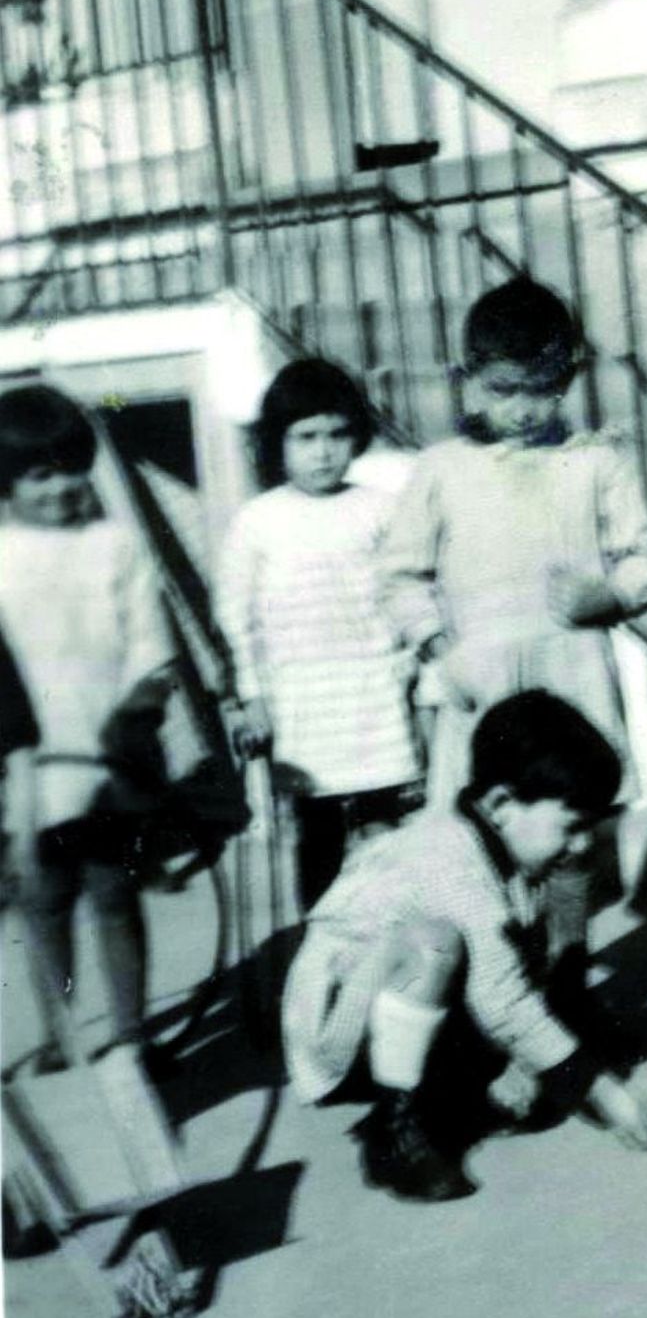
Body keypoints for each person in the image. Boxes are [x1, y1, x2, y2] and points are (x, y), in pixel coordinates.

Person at [380, 277, 647, 979]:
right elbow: (399, 575)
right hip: (479, 678)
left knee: (571, 834)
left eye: (541, 390)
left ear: (567, 378)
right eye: (504, 390)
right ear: (470, 379)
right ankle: (496, 985)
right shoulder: (441, 470)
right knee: (480, 832)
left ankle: (568, 974)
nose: (522, 409)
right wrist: (439, 648)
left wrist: (609, 594)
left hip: (570, 670)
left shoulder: (595, 461)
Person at [281, 690, 647, 1204]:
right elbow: (503, 1004)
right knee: (435, 945)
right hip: (336, 1028)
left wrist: (521, 1064)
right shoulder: (449, 861)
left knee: (528, 1086)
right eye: (571, 826)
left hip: (395, 1002)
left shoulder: (503, 851)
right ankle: (393, 1130)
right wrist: (601, 1089)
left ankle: (450, 1091)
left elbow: (511, 974)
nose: (580, 845)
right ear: (502, 805)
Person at [0, 384, 177, 1068]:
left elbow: (150, 643)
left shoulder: (116, 546)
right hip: (28, 768)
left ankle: (132, 1035)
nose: (60, 488)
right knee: (44, 900)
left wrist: (139, 714)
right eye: (38, 476)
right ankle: (63, 1032)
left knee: (114, 893)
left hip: (111, 757)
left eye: (71, 469)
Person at [216, 360, 424, 913]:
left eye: (336, 435)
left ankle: (387, 936)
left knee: (385, 828)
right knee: (318, 833)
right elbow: (235, 617)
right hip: (302, 703)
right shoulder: (258, 521)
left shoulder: (379, 510)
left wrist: (412, 669)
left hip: (374, 694)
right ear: (277, 443)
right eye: (306, 437)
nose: (324, 452)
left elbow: (406, 592)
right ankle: (323, 938)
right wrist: (251, 697)